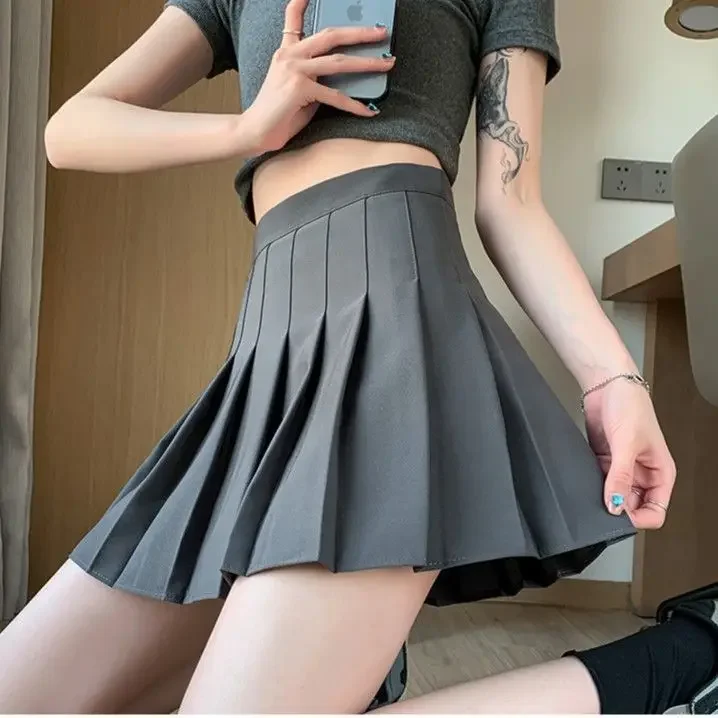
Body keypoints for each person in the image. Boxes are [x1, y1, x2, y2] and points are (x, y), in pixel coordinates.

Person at [0, 0, 679, 712]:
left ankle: (680, 663)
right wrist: (248, 129)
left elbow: (511, 203)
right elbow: (71, 130)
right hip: (267, 360)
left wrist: (615, 381)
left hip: (398, 328)